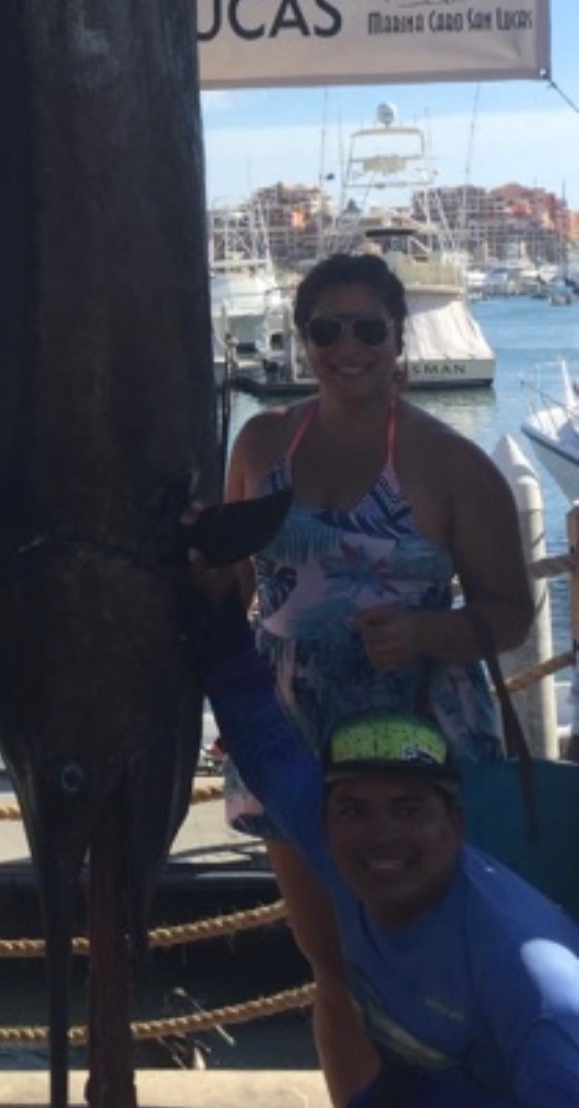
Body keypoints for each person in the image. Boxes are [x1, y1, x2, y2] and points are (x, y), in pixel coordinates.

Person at [224, 251, 535, 1105]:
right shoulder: (258, 445)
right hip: (291, 739)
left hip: (420, 746)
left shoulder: (452, 465)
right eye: (328, 329)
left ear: (401, 341)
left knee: (443, 961)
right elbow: (235, 592)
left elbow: (510, 611)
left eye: (370, 329)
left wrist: (428, 629)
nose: (348, 346)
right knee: (329, 963)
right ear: (303, 341)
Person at [191, 567, 579, 1106]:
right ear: (325, 818)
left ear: (458, 825)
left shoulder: (532, 987)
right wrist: (212, 602)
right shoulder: (336, 846)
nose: (382, 836)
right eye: (356, 808)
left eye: (408, 808)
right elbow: (260, 737)